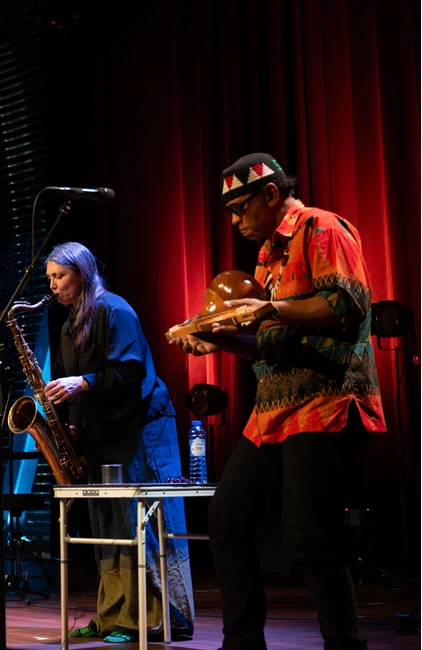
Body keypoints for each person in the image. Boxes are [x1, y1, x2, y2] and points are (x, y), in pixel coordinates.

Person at [169, 152, 385, 650]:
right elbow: (269, 342)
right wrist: (218, 339)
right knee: (226, 517)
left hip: (327, 399)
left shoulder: (320, 228)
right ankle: (242, 644)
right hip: (275, 409)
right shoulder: (268, 257)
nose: (235, 221)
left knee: (308, 533)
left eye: (241, 208)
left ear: (270, 193)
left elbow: (347, 303)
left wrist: (268, 307)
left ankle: (345, 644)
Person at [43, 242, 195, 643]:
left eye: (60, 276)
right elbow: (74, 388)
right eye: (50, 279)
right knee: (109, 526)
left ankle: (158, 618)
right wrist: (74, 427)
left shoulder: (114, 309)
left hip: (142, 428)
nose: (54, 286)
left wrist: (86, 382)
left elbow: (131, 371)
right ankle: (113, 615)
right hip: (103, 434)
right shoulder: (68, 325)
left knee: (143, 524)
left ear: (83, 272)